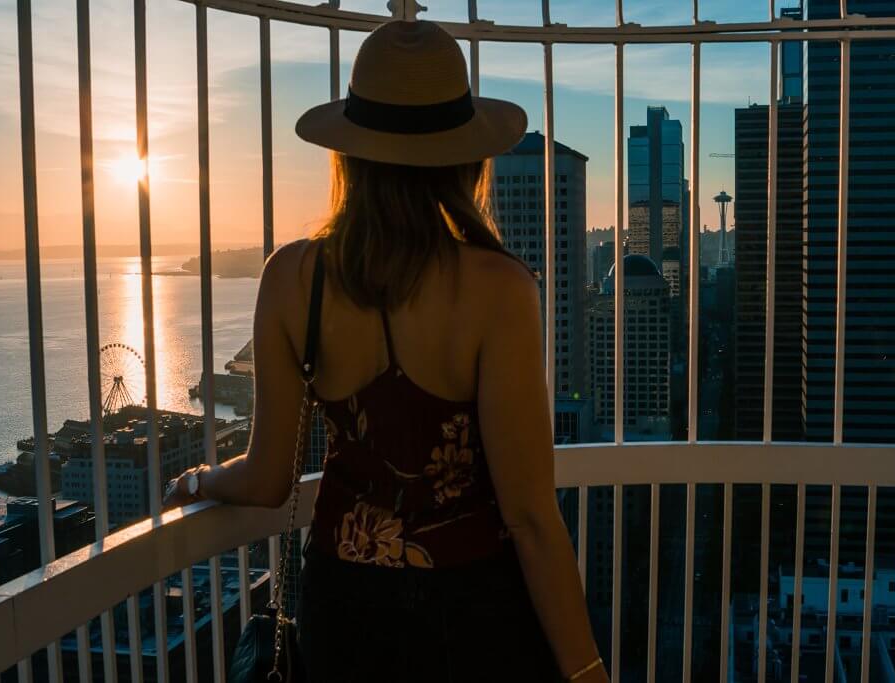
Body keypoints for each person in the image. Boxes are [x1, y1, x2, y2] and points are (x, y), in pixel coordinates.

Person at [164, 19, 607, 683]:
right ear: (465, 158)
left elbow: (267, 478)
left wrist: (198, 480)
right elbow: (530, 516)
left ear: (350, 152)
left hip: (342, 605)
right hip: (468, 604)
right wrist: (587, 670)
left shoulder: (291, 279)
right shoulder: (499, 289)